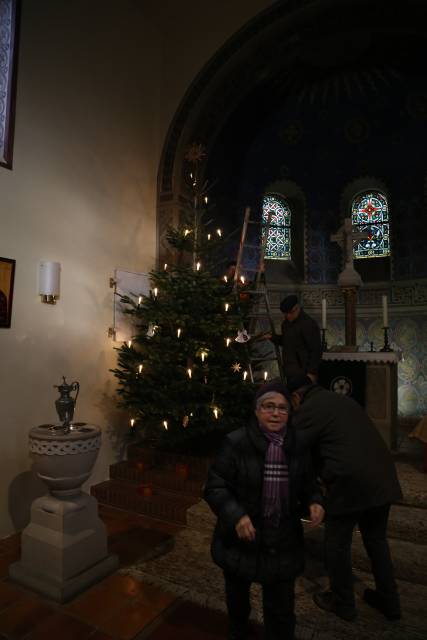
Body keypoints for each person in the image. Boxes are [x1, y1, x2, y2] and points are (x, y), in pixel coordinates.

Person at [203, 381, 324, 640]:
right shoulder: (236, 443)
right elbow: (215, 487)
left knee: (280, 611)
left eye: (282, 408)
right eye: (269, 406)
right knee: (238, 606)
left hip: (283, 540)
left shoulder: (298, 444)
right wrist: (237, 515)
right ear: (257, 411)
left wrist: (315, 500)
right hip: (240, 541)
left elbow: (308, 482)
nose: (276, 413)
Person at [287, 375, 402, 622]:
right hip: (382, 478)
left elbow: (291, 443)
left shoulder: (309, 408)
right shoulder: (339, 399)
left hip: (351, 483)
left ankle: (343, 603)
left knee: (337, 543)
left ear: (296, 397)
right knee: (376, 541)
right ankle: (390, 602)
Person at [267, 294, 322, 382]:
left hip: (304, 372)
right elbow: (287, 342)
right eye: (285, 314)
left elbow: (316, 350)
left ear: (297, 308)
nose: (288, 316)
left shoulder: (308, 324)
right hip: (290, 371)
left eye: (291, 312)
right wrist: (272, 337)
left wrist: (312, 372)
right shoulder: (286, 324)